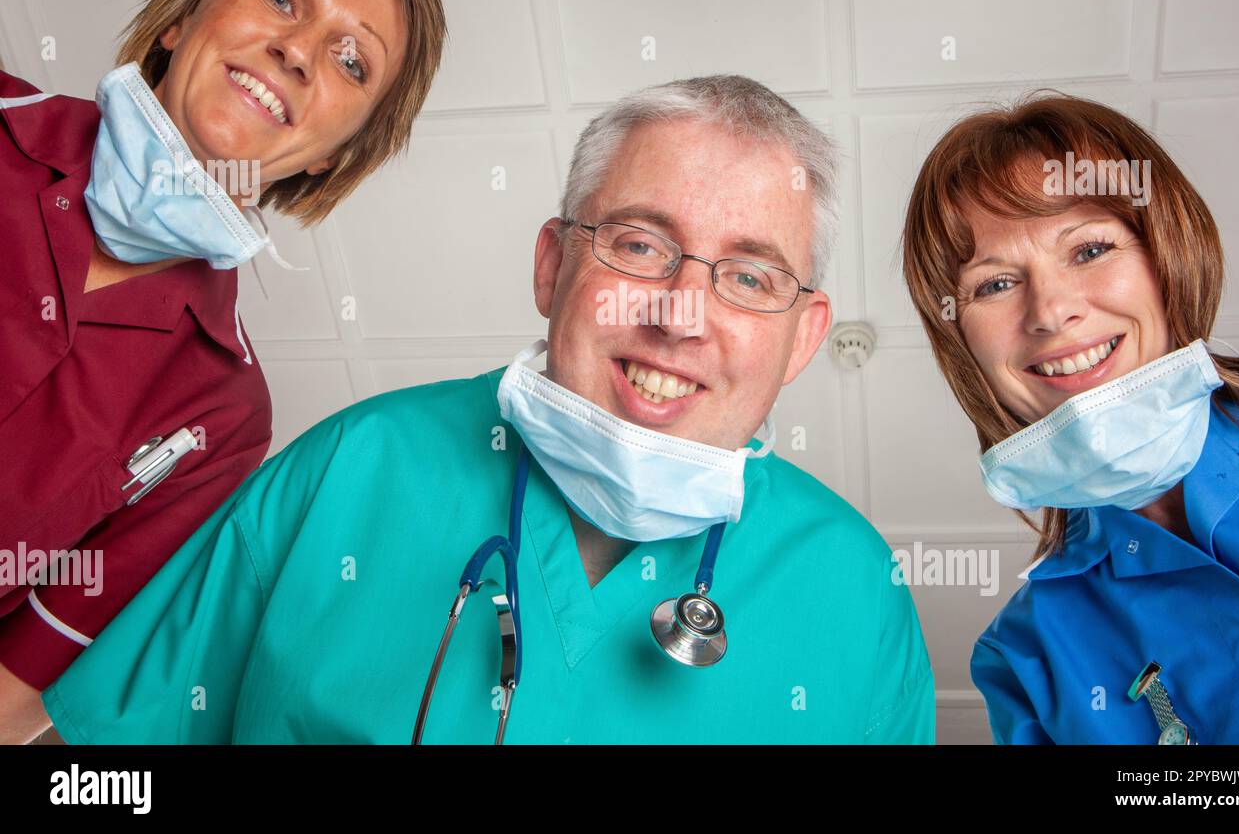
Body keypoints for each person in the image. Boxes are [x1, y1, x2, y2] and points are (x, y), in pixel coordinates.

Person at [34, 75, 934, 744]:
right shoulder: (351, 468)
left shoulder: (855, 587)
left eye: (748, 277)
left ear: (804, 336)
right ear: (552, 267)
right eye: (638, 243)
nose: (677, 314)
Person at [0, 0, 447, 743]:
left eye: (352, 60)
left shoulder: (220, 418)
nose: (298, 52)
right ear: (182, 16)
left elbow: (18, 692)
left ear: (333, 156)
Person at [901, 92, 1239, 743]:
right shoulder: (1029, 663)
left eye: (1088, 250)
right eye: (995, 284)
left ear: (1169, 256)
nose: (1051, 311)